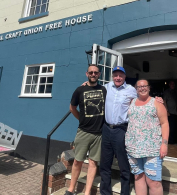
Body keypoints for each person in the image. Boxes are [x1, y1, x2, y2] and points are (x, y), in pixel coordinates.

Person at [66, 64, 107, 195]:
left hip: (99, 134)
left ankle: (87, 192)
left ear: (99, 74)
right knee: (77, 161)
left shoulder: (104, 90)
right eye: (91, 72)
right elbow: (72, 108)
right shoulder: (79, 90)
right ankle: (71, 189)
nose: (93, 74)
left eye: (96, 72)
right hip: (83, 132)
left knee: (93, 163)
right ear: (87, 74)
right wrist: (81, 119)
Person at [125, 79, 169, 195]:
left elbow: (164, 123)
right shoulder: (131, 102)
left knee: (153, 181)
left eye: (145, 86)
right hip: (133, 148)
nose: (142, 88)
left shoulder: (157, 103)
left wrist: (164, 144)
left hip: (152, 148)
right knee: (138, 177)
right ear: (136, 89)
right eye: (139, 86)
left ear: (149, 88)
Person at [100, 66, 137, 195]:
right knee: (105, 164)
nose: (118, 78)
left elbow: (142, 100)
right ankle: (105, 192)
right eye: (115, 75)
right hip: (106, 129)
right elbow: (92, 90)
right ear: (112, 76)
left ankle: (125, 192)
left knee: (123, 165)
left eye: (120, 75)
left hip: (121, 130)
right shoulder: (106, 87)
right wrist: (85, 85)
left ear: (125, 77)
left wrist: (157, 100)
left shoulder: (131, 90)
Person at [163, 80, 177, 144]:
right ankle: (170, 142)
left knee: (175, 128)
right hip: (169, 113)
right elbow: (164, 101)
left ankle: (174, 141)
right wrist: (166, 111)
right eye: (172, 84)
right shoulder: (167, 92)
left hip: (175, 112)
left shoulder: (174, 92)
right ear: (169, 85)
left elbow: (174, 102)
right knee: (171, 128)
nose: (173, 85)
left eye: (174, 84)